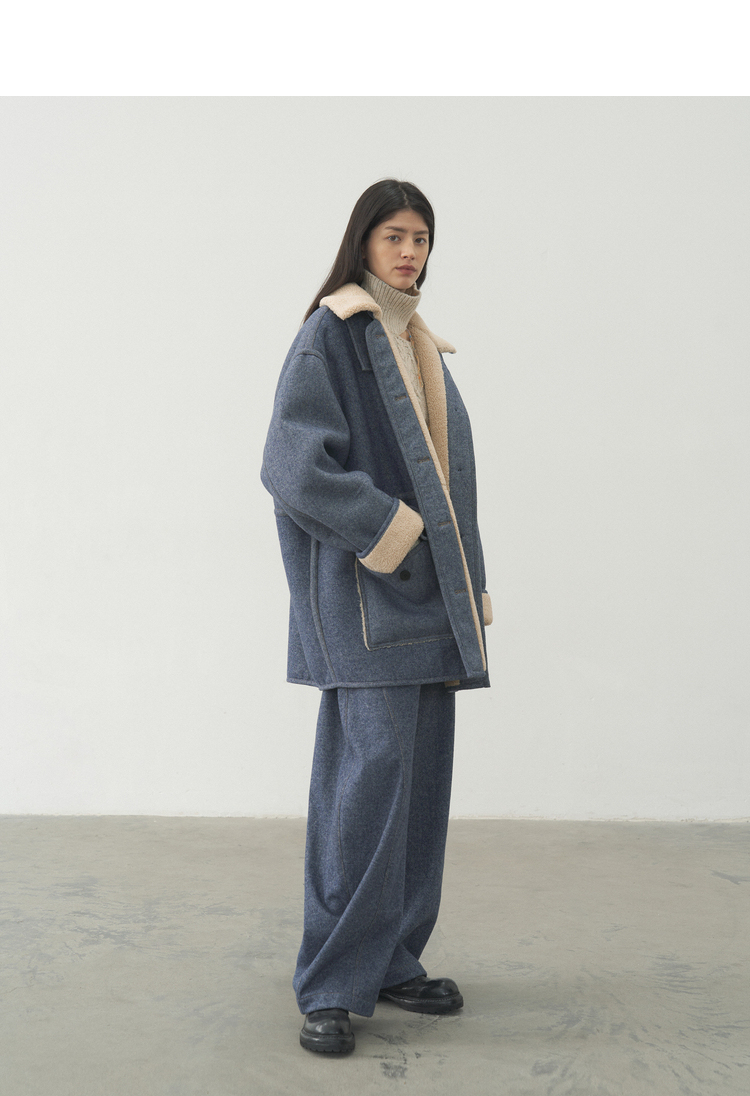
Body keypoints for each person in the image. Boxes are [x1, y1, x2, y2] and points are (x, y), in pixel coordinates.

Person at [261, 179, 492, 1055]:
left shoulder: (416, 338)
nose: (409, 251)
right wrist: (392, 532)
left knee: (419, 791)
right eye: (394, 235)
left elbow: (451, 485)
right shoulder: (332, 334)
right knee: (364, 792)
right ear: (362, 241)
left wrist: (463, 584)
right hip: (367, 601)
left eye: (420, 238)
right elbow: (293, 465)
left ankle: (392, 958)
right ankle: (330, 983)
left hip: (430, 603)